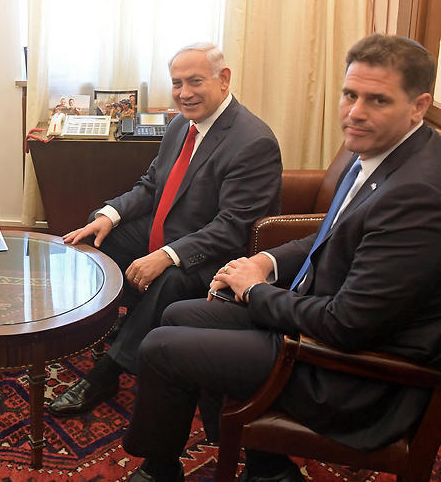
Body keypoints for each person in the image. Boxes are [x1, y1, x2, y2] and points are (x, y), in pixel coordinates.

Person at [123, 34, 441, 482]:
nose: (355, 112)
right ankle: (259, 457)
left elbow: (346, 325)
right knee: (178, 313)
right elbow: (329, 234)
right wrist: (264, 263)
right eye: (350, 95)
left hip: (352, 373)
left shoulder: (418, 195)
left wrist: (254, 292)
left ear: (418, 105)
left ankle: (161, 470)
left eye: (378, 100)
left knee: (159, 347)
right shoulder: (386, 150)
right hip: (320, 326)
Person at [48, 43, 282, 418]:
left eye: (195, 81)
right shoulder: (179, 125)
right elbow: (152, 185)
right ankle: (101, 324)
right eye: (177, 83)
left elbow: (231, 226)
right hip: (168, 232)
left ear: (224, 80)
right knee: (96, 239)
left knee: (171, 279)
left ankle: (108, 372)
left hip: (215, 254)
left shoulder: (253, 141)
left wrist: (166, 255)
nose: (184, 93)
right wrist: (109, 215)